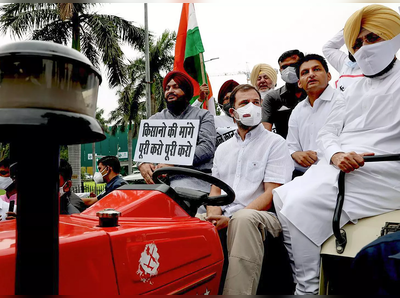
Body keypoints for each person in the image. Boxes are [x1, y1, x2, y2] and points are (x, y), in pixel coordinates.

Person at [273, 4, 400, 295]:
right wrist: (336, 154)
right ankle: (308, 281)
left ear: (393, 37)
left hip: (385, 168)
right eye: (356, 42)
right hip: (339, 164)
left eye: (372, 38)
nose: (364, 47)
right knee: (282, 198)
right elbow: (328, 132)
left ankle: (306, 290)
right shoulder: (350, 82)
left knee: (299, 203)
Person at [205, 84, 293, 295]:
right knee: (190, 224)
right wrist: (213, 217)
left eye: (256, 102)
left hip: (263, 217)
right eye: (244, 103)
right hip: (226, 214)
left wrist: (233, 218)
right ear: (233, 112)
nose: (252, 107)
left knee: (243, 220)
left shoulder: (275, 143)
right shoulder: (223, 149)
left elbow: (271, 193)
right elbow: (214, 192)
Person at [138, 70, 216, 193]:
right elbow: (144, 151)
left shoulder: (203, 116)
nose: (170, 91)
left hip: (195, 180)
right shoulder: (155, 120)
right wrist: (142, 163)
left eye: (176, 87)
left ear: (187, 91)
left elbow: (206, 148)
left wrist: (173, 164)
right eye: (167, 88)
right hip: (160, 183)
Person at [286, 54, 336, 175]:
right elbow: (290, 146)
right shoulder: (298, 110)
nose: (311, 75)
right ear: (299, 83)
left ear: (329, 76)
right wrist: (295, 154)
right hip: (303, 174)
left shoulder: (342, 101)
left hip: (336, 171)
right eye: (305, 72)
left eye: (316, 69)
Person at [261, 50, 307, 138]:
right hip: (286, 148)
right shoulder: (272, 98)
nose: (288, 70)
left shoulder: (315, 93)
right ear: (280, 70)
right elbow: (265, 132)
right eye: (284, 67)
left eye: (293, 65)